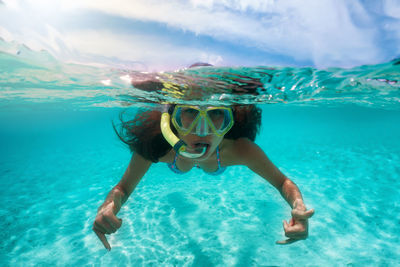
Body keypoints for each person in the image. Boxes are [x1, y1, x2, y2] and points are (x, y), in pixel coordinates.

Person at [93, 66, 314, 251]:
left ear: (230, 120)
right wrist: (109, 206)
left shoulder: (239, 150)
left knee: (209, 166)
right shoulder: (157, 146)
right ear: (171, 120)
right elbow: (122, 188)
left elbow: (283, 182)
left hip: (216, 160)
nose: (202, 130)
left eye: (216, 113)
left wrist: (298, 206)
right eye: (189, 113)